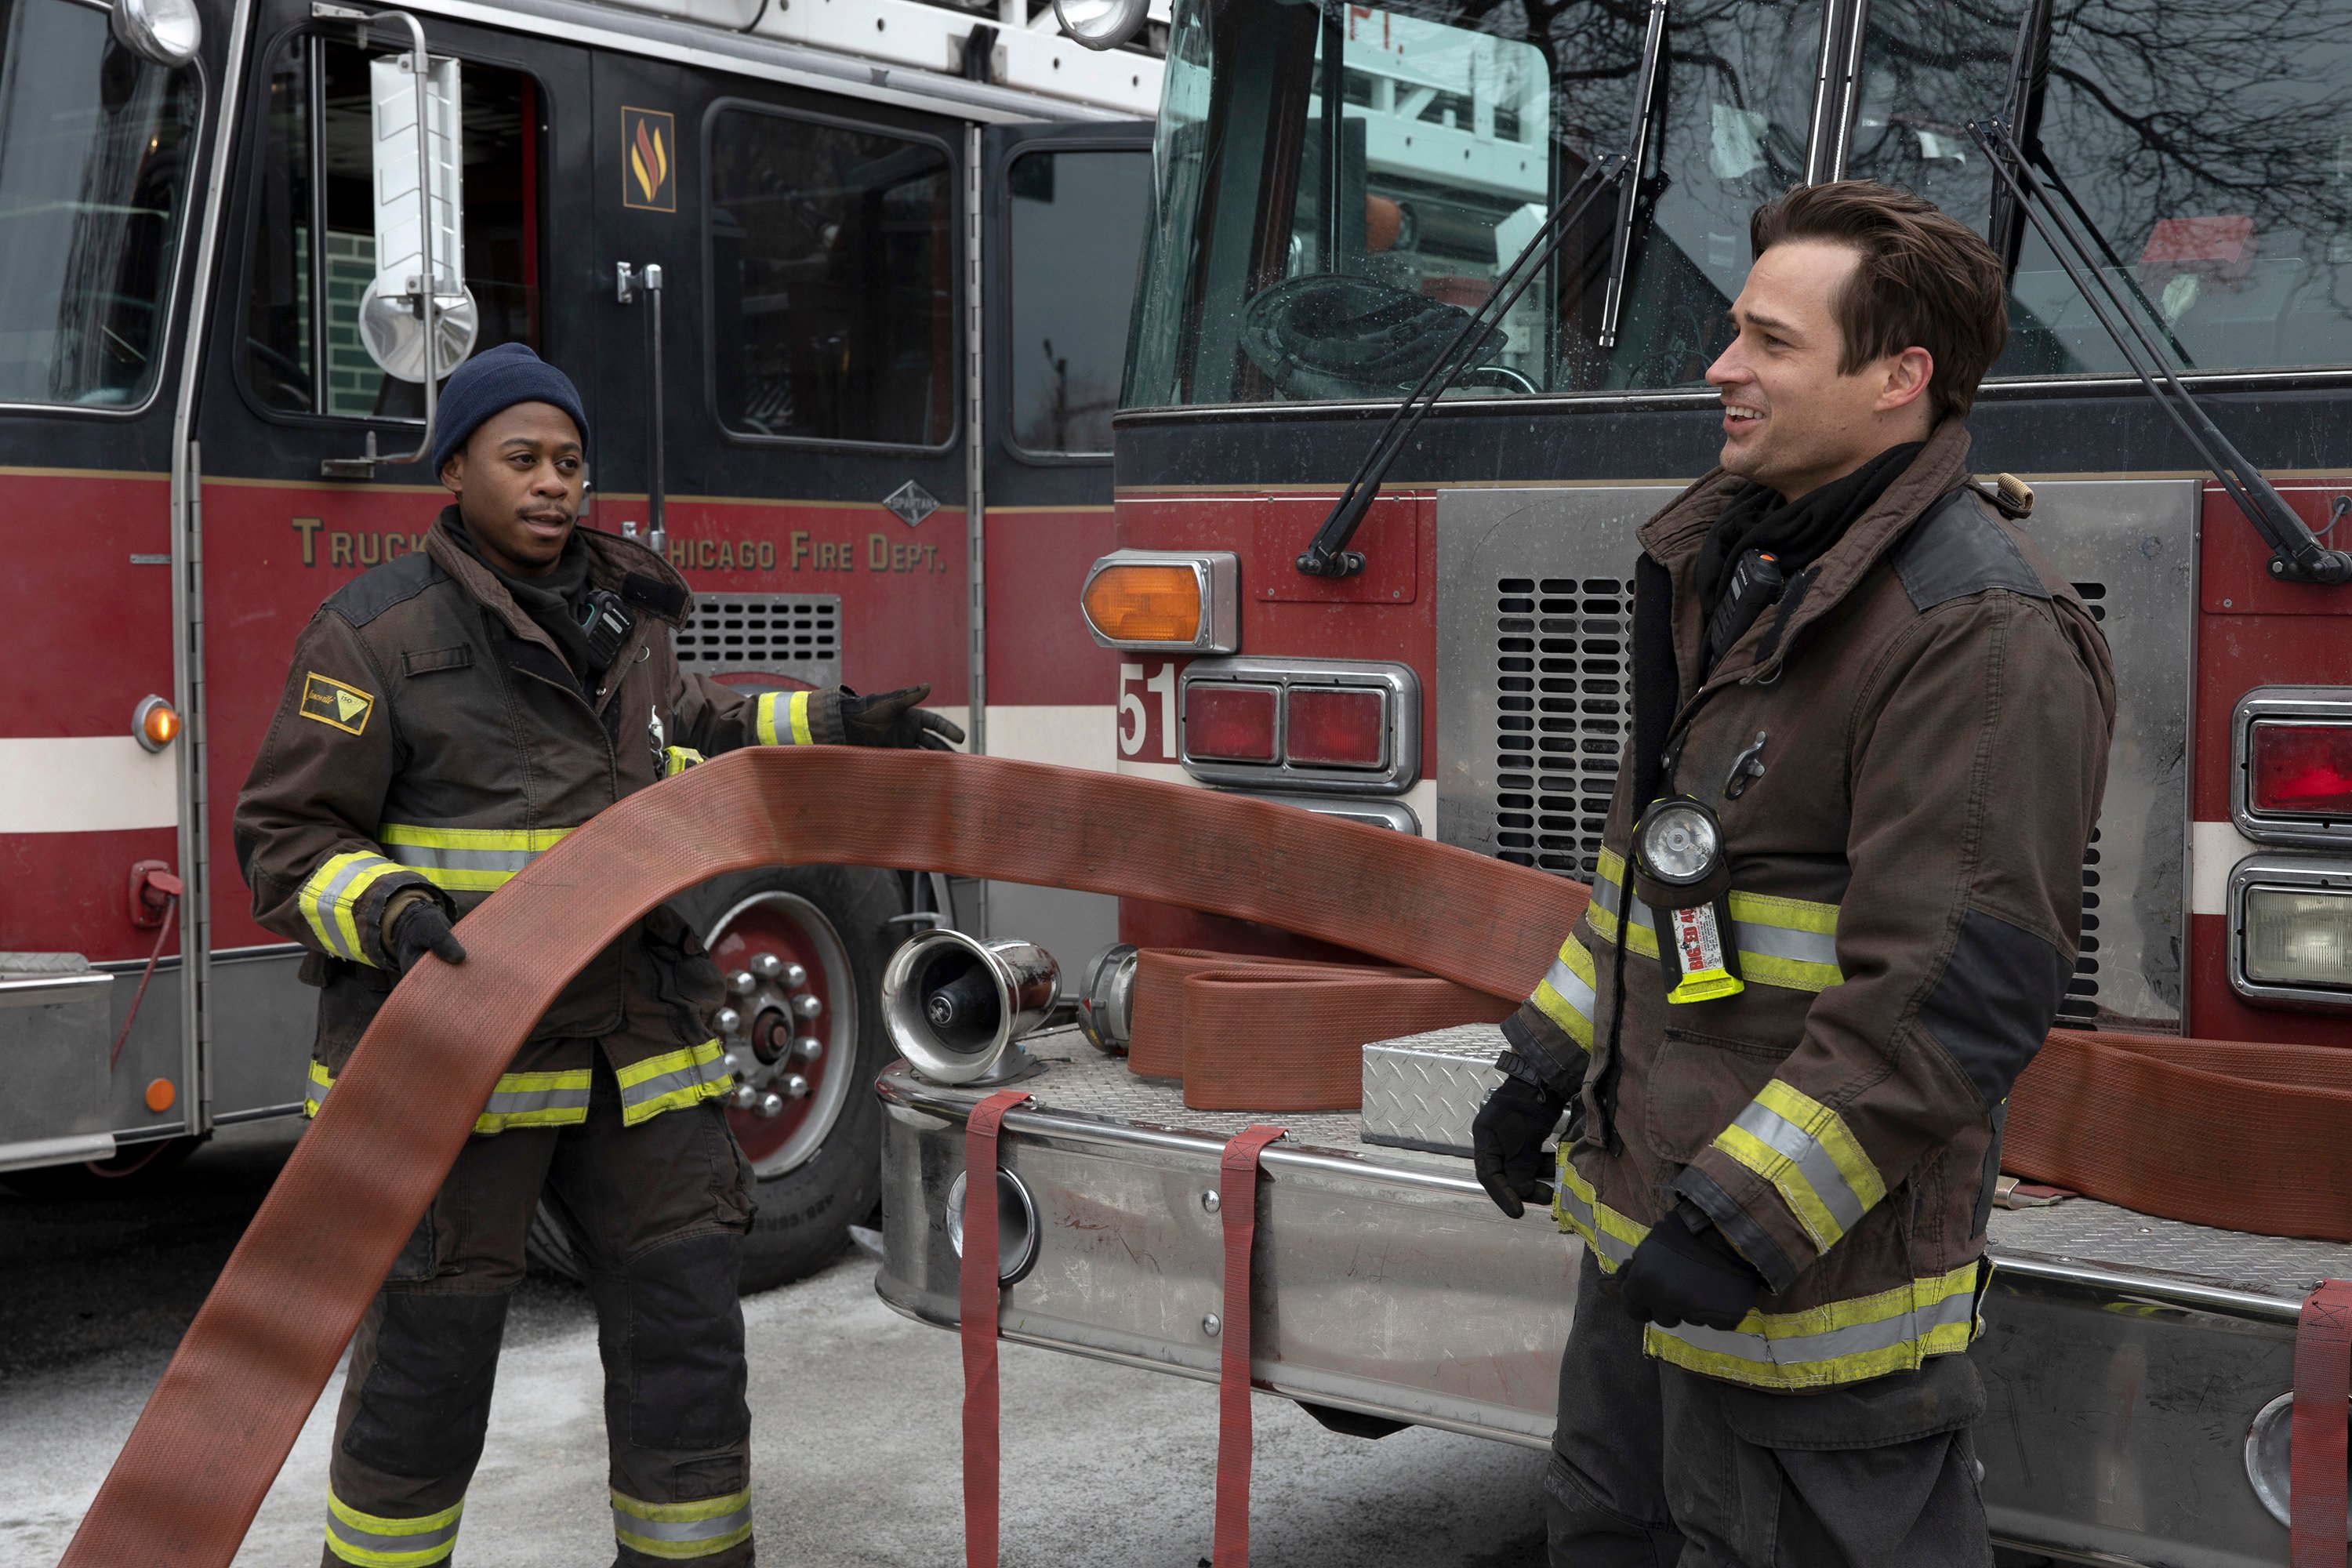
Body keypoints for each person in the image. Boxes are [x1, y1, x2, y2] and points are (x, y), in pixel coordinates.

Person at [1470, 182, 2115, 1566]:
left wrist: (1736, 1224)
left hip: (1821, 1317)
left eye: (1768, 341)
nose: (1720, 368)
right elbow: (1663, 886)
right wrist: (1543, 1062)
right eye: (1731, 333)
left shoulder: (1979, 632)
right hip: (1651, 1257)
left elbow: (1951, 999)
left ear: (1901, 380)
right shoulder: (1750, 565)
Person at [233, 342, 961, 1568]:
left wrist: (835, 723)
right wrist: (394, 910)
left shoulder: (629, 617)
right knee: (428, 1365)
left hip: (643, 1057)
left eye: (570, 460)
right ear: (455, 466)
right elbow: (287, 838)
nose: (553, 483)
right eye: (521, 459)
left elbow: (702, 736)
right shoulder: (373, 636)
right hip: (461, 1066)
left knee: (687, 1351)